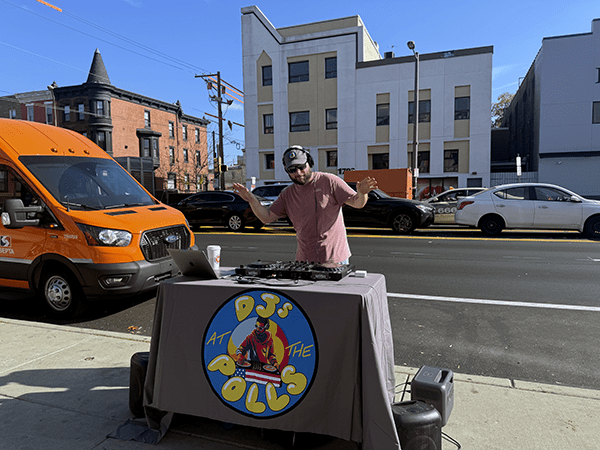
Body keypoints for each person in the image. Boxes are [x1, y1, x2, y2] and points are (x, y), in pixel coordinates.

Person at [233, 145, 377, 265]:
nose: (299, 173)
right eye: (292, 170)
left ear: (310, 163)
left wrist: (362, 193)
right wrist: (251, 199)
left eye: (302, 167)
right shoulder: (287, 194)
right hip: (304, 261)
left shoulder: (329, 181)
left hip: (335, 259)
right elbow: (267, 217)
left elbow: (357, 203)